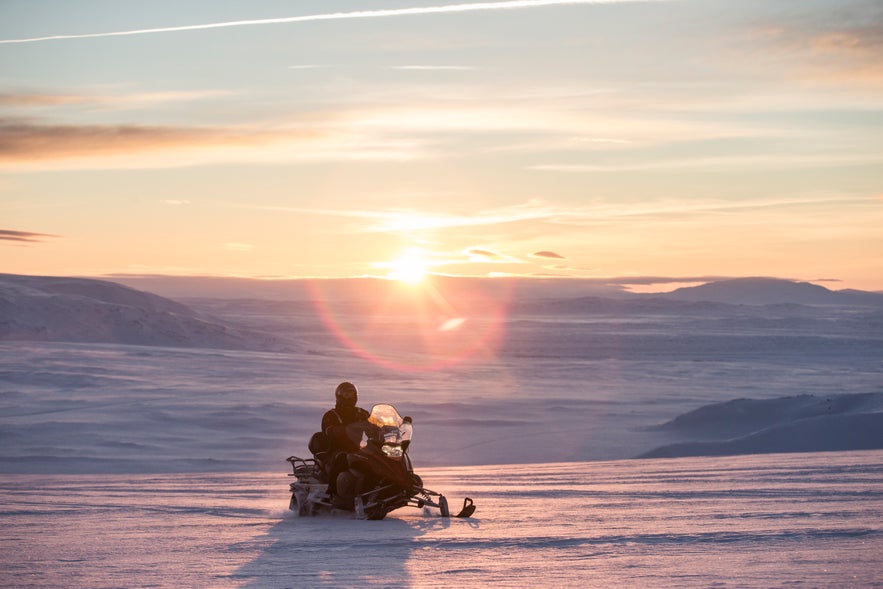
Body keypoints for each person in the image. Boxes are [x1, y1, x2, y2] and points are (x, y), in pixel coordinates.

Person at [319, 382, 370, 495]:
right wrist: (339, 430)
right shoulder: (331, 415)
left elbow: (374, 425)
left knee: (378, 456)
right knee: (342, 458)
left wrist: (386, 428)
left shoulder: (361, 413)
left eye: (352, 394)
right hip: (335, 450)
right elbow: (328, 430)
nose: (350, 397)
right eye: (347, 394)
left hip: (357, 449)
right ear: (339, 396)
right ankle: (333, 492)